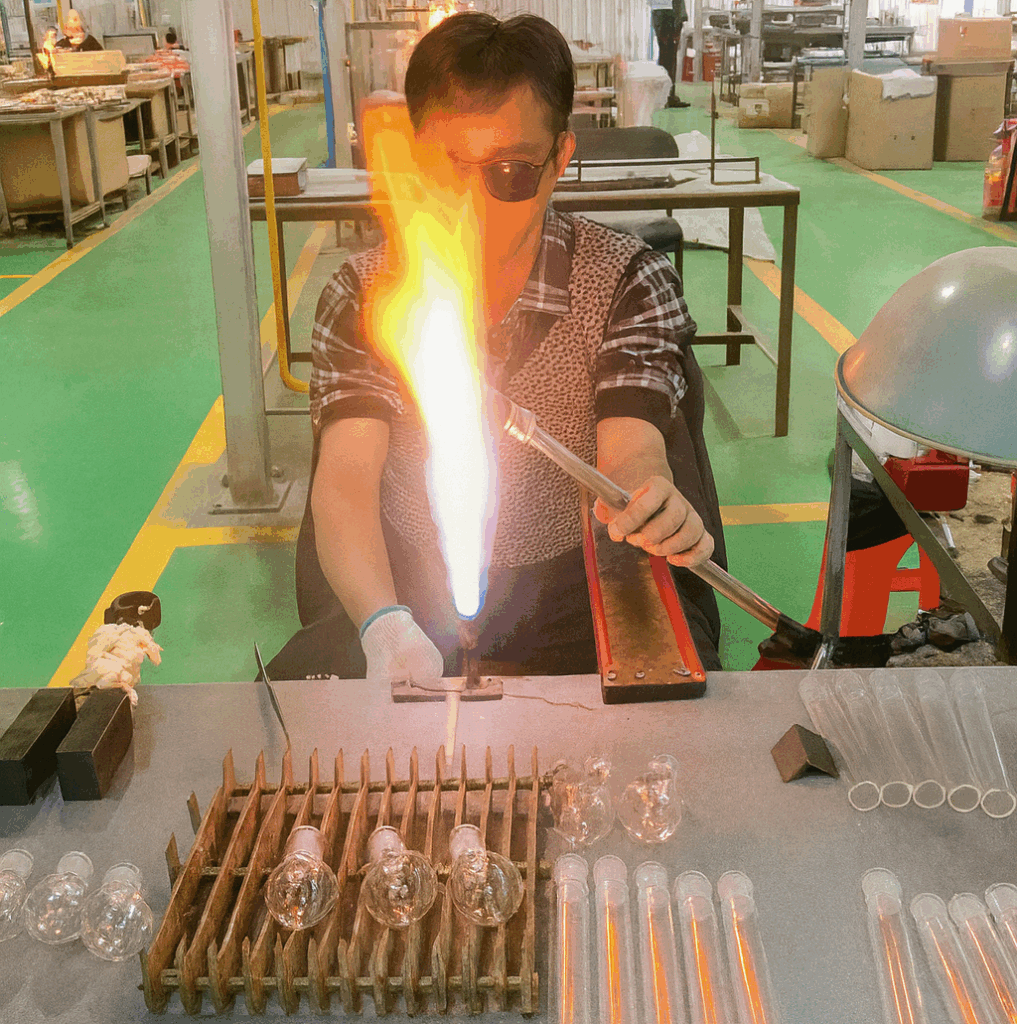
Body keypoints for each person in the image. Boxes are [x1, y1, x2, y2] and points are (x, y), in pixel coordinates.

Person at [268, 13, 726, 685]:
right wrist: (383, 624)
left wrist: (648, 500)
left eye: (510, 171)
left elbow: (631, 445)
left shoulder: (624, 279)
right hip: (407, 585)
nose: (474, 207)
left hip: (573, 579)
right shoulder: (363, 295)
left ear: (560, 159)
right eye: (446, 170)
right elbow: (344, 480)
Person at [650, 0, 690, 109]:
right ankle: (668, 96)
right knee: (669, 58)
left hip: (660, 16)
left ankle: (665, 95)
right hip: (668, 17)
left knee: (665, 56)